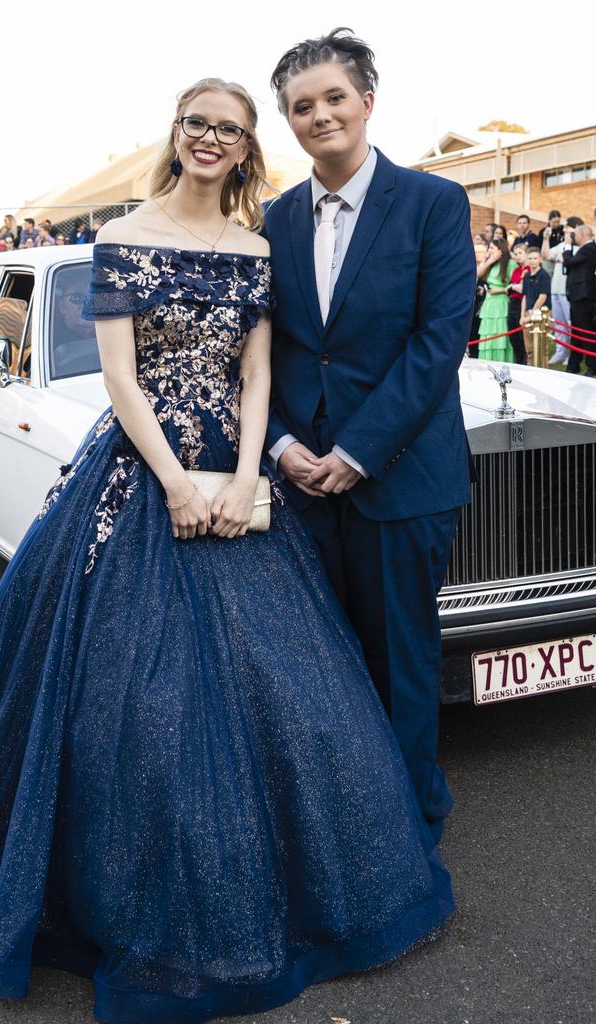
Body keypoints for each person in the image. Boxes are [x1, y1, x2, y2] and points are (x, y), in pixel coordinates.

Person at [0, 76, 454, 1024]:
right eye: (198, 124)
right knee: (136, 696)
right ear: (175, 133)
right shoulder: (124, 235)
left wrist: (240, 473)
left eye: (230, 128)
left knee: (294, 694)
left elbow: (260, 368)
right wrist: (179, 481)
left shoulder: (256, 243)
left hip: (235, 470)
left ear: (245, 143)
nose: (212, 139)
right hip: (145, 473)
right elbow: (119, 375)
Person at [264, 28, 475, 842]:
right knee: (318, 663)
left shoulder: (432, 202)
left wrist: (355, 454)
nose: (320, 115)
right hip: (300, 483)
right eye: (300, 107)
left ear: (367, 102)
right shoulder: (276, 219)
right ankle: (341, 825)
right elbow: (269, 349)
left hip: (400, 480)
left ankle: (410, 825)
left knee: (402, 661)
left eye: (333, 98)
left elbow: (438, 340)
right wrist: (285, 447)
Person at [543, 215, 583, 365]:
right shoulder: (561, 245)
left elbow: (568, 261)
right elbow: (546, 255)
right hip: (556, 289)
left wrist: (562, 256)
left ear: (576, 229)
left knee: (571, 323)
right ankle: (561, 352)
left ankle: (573, 354)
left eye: (567, 227)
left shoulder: (581, 247)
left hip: (570, 291)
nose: (564, 229)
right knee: (559, 324)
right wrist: (546, 239)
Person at [563, 223, 596, 376]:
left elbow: (569, 262)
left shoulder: (589, 249)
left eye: (574, 234)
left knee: (585, 331)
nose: (573, 237)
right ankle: (574, 364)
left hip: (583, 297)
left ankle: (592, 366)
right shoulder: (585, 249)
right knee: (576, 332)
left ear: (582, 235)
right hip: (577, 296)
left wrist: (567, 246)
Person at [476, 239, 516, 360]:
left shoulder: (510, 264)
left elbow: (513, 286)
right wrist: (490, 260)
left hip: (501, 302)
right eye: (489, 248)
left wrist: (499, 291)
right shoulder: (490, 263)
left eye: (492, 248)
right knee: (488, 334)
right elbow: (477, 274)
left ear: (500, 249)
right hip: (489, 303)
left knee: (500, 334)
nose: (489, 250)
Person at [519, 247, 551, 363]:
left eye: (535, 258)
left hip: (540, 314)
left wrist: (531, 314)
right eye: (530, 258)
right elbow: (525, 296)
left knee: (542, 347)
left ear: (540, 259)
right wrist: (522, 316)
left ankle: (543, 372)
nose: (532, 261)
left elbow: (543, 297)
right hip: (528, 313)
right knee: (529, 348)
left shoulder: (544, 275)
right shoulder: (526, 276)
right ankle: (531, 370)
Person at [506, 242, 528, 363]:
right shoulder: (516, 270)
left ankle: (524, 361)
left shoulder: (529, 269)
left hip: (522, 302)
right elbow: (508, 290)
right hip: (513, 303)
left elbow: (522, 288)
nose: (518, 256)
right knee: (513, 334)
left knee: (521, 335)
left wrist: (512, 287)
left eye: (521, 253)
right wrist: (514, 287)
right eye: (516, 254)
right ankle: (518, 361)